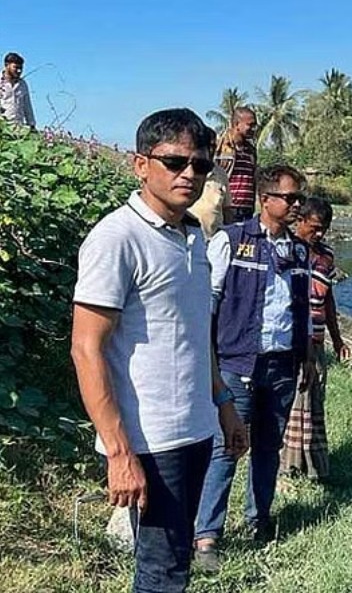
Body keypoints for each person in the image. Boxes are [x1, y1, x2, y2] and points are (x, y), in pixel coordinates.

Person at [70, 108, 248, 593]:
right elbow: (86, 349)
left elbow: (196, 333)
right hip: (150, 439)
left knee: (176, 564)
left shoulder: (193, 236)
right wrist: (118, 451)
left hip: (195, 429)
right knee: (161, 573)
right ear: (140, 164)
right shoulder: (117, 239)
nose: (188, 174)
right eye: (173, 162)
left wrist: (224, 403)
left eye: (200, 164)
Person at [194, 164, 312, 572]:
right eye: (289, 197)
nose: (297, 204)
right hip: (237, 363)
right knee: (227, 448)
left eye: (299, 198)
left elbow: (304, 312)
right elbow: (207, 303)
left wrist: (309, 358)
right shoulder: (232, 240)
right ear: (266, 199)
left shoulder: (299, 250)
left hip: (282, 365)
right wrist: (207, 360)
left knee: (268, 448)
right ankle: (207, 536)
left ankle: (260, 519)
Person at [282, 196, 351, 481]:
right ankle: (286, 464)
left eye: (324, 228)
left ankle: (310, 463)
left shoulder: (325, 256)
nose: (319, 234)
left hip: (318, 341)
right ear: (299, 221)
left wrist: (338, 339)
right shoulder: (286, 249)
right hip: (291, 340)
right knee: (292, 400)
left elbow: (328, 300)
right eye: (314, 227)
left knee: (313, 400)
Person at [188, 126, 233, 239]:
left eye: (213, 145)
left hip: (214, 240)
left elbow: (227, 209)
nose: (210, 150)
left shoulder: (221, 174)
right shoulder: (186, 171)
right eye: (206, 145)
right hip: (189, 238)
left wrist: (230, 235)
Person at [214, 107, 257, 222]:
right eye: (250, 125)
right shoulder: (221, 146)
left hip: (247, 209)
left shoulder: (251, 150)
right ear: (237, 124)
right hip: (228, 208)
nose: (254, 129)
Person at [0, 52, 36, 128]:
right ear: (7, 65)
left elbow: (27, 106)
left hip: (18, 128)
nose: (19, 71)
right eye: (16, 67)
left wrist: (32, 124)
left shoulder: (23, 84)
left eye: (21, 68)